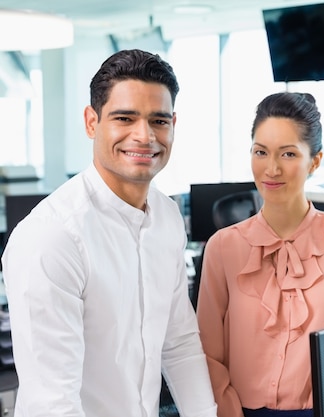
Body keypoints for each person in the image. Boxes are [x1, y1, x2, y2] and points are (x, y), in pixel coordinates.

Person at [1, 49, 218, 417]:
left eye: (159, 120)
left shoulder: (166, 217)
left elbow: (178, 343)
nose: (144, 136)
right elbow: (53, 405)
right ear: (91, 122)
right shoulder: (51, 237)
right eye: (125, 118)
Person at [196, 91, 324, 417]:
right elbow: (208, 353)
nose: (272, 168)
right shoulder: (222, 247)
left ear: (315, 161)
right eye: (260, 152)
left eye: (289, 154)